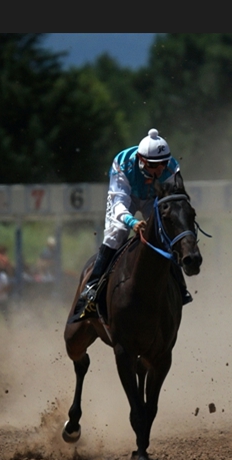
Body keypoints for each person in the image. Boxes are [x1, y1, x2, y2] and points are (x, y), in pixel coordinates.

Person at [71, 128, 192, 322]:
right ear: (141, 160)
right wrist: (132, 222)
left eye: (163, 163)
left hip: (153, 199)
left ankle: (180, 286)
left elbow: (173, 201)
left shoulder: (170, 168)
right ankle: (90, 290)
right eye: (155, 165)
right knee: (117, 232)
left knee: (165, 232)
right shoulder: (123, 163)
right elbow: (119, 203)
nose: (160, 169)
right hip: (127, 199)